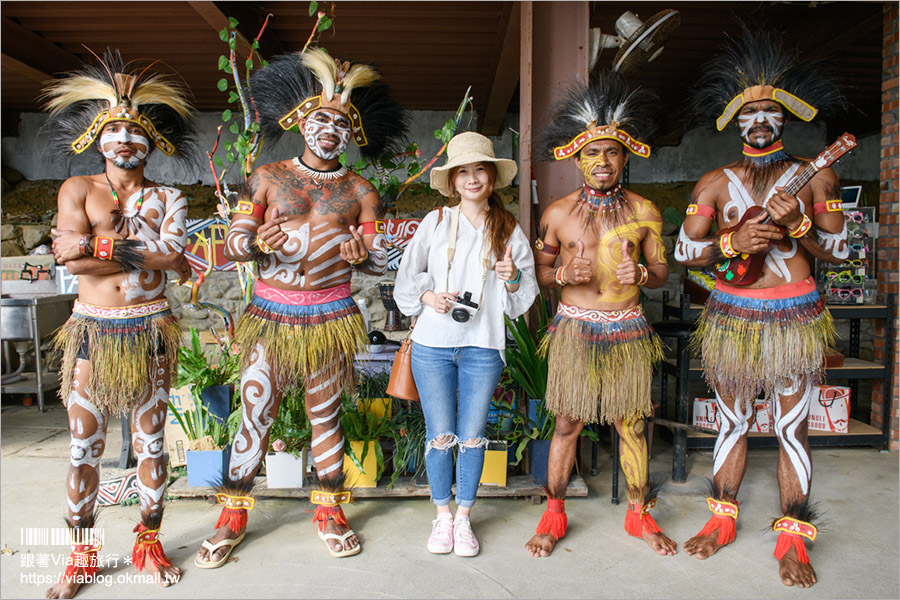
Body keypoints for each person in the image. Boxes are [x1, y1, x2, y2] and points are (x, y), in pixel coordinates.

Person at [194, 48, 408, 567]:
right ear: (301, 123)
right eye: (320, 119)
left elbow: (378, 261)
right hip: (270, 313)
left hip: (330, 316)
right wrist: (257, 243)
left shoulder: (362, 190)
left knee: (326, 415)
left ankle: (330, 510)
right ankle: (233, 514)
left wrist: (366, 256)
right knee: (255, 409)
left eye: (340, 123)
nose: (329, 130)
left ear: (351, 133)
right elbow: (235, 244)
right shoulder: (267, 176)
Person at [674, 29, 848, 588]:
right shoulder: (714, 184)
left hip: (794, 314)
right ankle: (721, 521)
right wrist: (729, 245)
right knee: (732, 420)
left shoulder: (818, 175)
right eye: (752, 113)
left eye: (772, 112)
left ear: (784, 120)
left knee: (793, 426)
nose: (762, 121)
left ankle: (793, 538)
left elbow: (841, 249)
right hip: (732, 314)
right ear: (737, 123)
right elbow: (683, 251)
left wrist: (799, 227)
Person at [43, 49, 196, 598]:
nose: (125, 140)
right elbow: (71, 261)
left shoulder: (169, 195)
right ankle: (80, 557)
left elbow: (173, 250)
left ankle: (148, 545)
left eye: (136, 132)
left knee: (152, 444)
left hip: (150, 329)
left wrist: (96, 243)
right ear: (97, 140)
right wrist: (138, 249)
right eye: (115, 132)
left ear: (153, 141)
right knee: (85, 446)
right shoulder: (77, 189)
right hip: (93, 330)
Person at [524, 71, 674, 558]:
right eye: (593, 152)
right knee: (566, 423)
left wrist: (643, 278)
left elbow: (662, 272)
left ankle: (639, 516)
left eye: (612, 151)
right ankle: (553, 514)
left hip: (627, 330)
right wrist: (565, 274)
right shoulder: (558, 213)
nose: (603, 161)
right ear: (578, 157)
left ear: (625, 156)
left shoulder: (646, 210)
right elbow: (540, 275)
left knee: (631, 424)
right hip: (574, 330)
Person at [394, 131, 538, 557]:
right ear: (453, 181)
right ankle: (441, 516)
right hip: (433, 343)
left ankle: (464, 519)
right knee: (440, 435)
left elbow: (522, 294)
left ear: (491, 178)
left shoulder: (508, 229)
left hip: (483, 344)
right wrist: (428, 297)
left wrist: (510, 276)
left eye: (480, 170)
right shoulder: (435, 222)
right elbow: (407, 278)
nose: (473, 179)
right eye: (464, 172)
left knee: (472, 435)